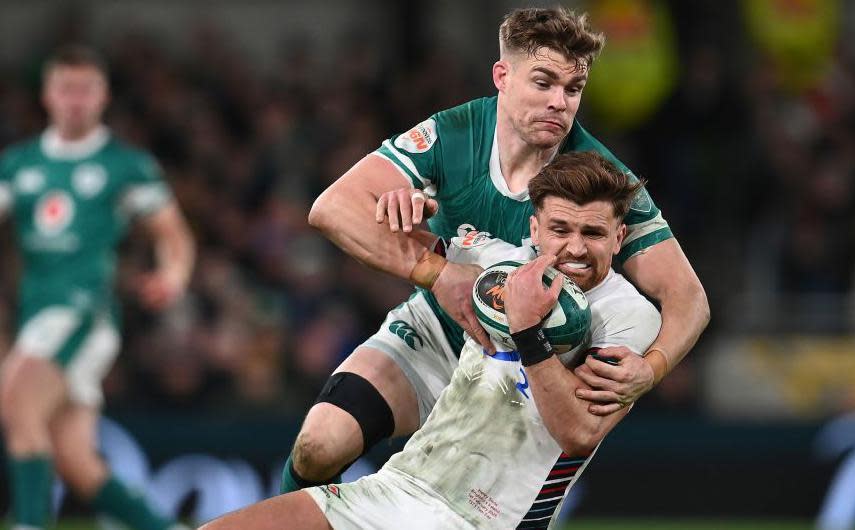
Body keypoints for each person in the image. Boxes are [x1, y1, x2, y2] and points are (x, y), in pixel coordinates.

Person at [283, 6, 709, 492]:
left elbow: (688, 296)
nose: (559, 103)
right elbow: (332, 207)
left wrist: (651, 369)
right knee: (319, 445)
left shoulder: (599, 180)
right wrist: (436, 272)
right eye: (544, 83)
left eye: (573, 90)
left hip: (523, 370)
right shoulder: (454, 134)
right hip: (436, 334)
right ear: (502, 76)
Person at [202, 150, 666, 529]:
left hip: (482, 521)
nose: (575, 249)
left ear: (619, 235)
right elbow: (334, 213)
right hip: (397, 488)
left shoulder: (628, 317)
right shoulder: (495, 268)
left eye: (594, 233)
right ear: (534, 230)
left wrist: (527, 333)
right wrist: (406, 203)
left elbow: (579, 433)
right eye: (560, 230)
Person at [0, 45, 194, 530]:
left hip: (84, 312)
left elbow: (174, 236)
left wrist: (172, 275)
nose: (75, 100)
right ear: (47, 94)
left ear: (103, 95)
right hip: (36, 312)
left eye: (85, 89)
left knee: (16, 402)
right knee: (78, 467)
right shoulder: (17, 165)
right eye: (66, 88)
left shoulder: (124, 165)